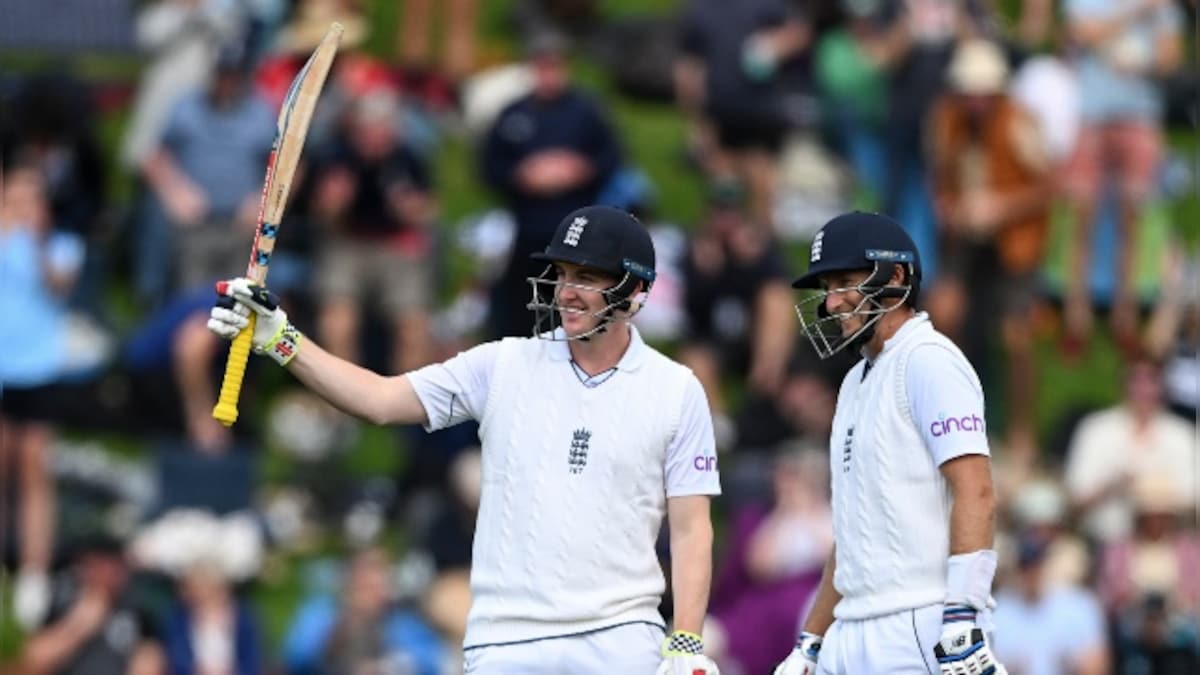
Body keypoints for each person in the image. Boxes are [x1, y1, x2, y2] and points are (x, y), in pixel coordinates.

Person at [207, 205, 722, 674]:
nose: (565, 291)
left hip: (622, 640)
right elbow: (381, 401)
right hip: (508, 639)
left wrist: (686, 641)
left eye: (585, 277)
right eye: (562, 275)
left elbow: (692, 530)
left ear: (634, 290)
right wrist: (280, 338)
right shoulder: (503, 365)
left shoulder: (676, 391)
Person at [773, 212, 1008, 675]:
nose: (833, 302)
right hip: (852, 626)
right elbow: (853, 532)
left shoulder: (929, 360)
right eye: (827, 287)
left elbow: (976, 490)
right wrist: (810, 642)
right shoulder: (854, 381)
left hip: (919, 621)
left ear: (895, 277)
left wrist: (963, 614)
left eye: (844, 282)